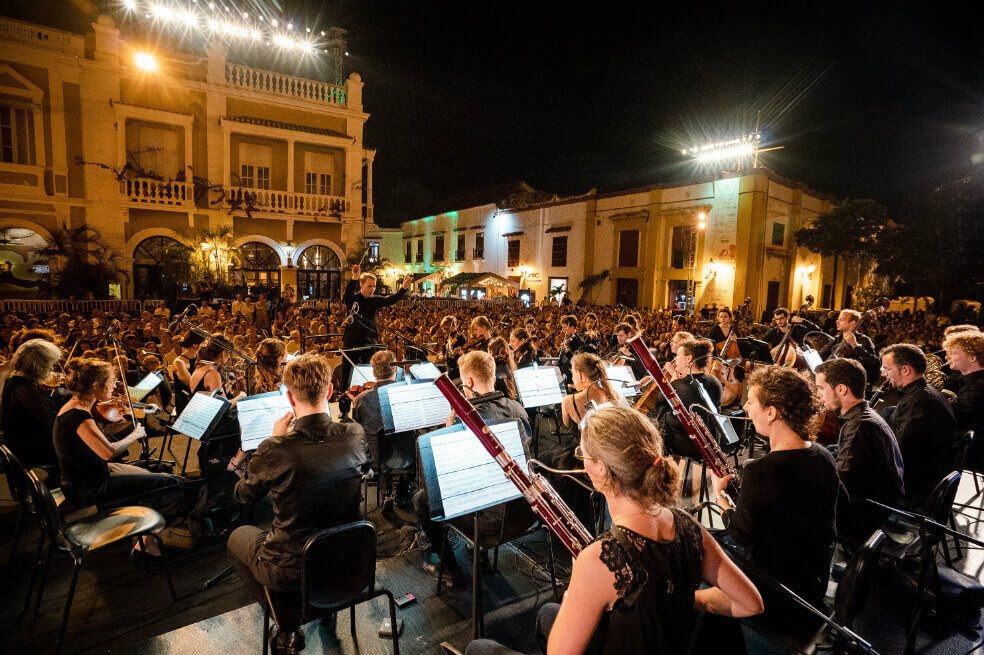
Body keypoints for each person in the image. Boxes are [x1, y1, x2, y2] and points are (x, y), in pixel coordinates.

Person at [467, 406, 763, 655]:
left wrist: (575, 589)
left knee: (479, 648)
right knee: (547, 614)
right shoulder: (690, 526)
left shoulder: (598, 559)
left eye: (583, 455)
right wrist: (687, 599)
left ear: (598, 469)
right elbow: (751, 603)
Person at [227, 353, 369, 618]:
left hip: (294, 568)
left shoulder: (274, 449)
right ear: (328, 391)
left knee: (237, 537)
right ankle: (324, 609)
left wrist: (269, 444)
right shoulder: (355, 433)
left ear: (290, 398)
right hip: (352, 558)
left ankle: (284, 618)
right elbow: (365, 469)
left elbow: (244, 495)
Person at [713, 367, 844, 627]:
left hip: (775, 593)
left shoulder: (759, 471)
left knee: (696, 591)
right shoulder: (825, 456)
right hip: (812, 586)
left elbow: (741, 535)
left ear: (771, 412)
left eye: (750, 401)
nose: (747, 408)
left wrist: (722, 500)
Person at [52, 358, 203, 556]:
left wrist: (130, 421)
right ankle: (145, 544)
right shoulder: (78, 415)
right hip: (91, 485)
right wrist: (135, 435)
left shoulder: (77, 406)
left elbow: (101, 438)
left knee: (158, 474)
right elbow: (107, 452)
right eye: (111, 382)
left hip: (93, 474)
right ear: (96, 385)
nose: (114, 386)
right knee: (170, 485)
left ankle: (141, 533)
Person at [413, 350, 533, 587]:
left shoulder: (464, 419)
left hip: (488, 522)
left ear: (468, 381)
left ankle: (449, 569)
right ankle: (479, 554)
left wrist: (449, 430)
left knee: (422, 500)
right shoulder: (517, 408)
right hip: (523, 512)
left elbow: (452, 477)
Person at [815, 357, 904, 542]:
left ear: (841, 389)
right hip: (877, 502)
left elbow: (842, 485)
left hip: (867, 514)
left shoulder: (859, 427)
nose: (819, 395)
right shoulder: (864, 416)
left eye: (821, 388)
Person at [879, 343, 957, 506]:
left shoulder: (920, 402)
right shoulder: (921, 393)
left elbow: (901, 453)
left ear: (906, 370)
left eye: (887, 368)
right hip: (919, 472)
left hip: (913, 487)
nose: (883, 374)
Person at [339, 266, 411, 417]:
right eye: (369, 286)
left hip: (369, 341)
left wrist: (404, 288)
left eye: (374, 286)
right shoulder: (354, 299)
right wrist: (354, 278)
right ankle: (343, 409)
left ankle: (368, 406)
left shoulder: (374, 301)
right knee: (347, 374)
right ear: (362, 285)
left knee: (369, 375)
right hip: (352, 341)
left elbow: (392, 299)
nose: (372, 289)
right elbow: (346, 296)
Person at [653, 340, 723, 463]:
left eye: (678, 355)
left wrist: (673, 380)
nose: (675, 359)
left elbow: (659, 400)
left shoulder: (679, 385)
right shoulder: (714, 381)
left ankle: (664, 464)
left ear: (689, 358)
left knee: (658, 415)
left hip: (691, 444)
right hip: (712, 440)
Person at [1, 339, 63, 475]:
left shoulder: (18, 381)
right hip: (31, 449)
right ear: (38, 364)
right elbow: (50, 422)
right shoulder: (24, 387)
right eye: (49, 364)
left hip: (27, 442)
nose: (51, 368)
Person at [189, 335, 247, 475]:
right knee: (246, 419)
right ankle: (235, 462)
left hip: (202, 418)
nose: (228, 359)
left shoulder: (201, 368)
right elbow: (224, 405)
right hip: (212, 424)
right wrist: (241, 396)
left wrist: (232, 381)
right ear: (223, 353)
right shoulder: (212, 373)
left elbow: (217, 396)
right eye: (228, 355)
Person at [943, 331, 984, 470]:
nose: (946, 356)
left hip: (971, 447)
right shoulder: (967, 379)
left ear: (972, 358)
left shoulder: (979, 387)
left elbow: (945, 413)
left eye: (953, 353)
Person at [561, 352, 627, 430]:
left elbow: (567, 424)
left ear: (579, 375)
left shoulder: (568, 401)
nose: (572, 378)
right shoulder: (614, 395)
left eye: (573, 373)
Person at [819, 310, 882, 384]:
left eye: (842, 320)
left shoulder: (863, 339)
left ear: (852, 323)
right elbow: (822, 356)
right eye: (838, 319)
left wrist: (854, 345)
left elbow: (872, 361)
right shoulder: (837, 339)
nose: (837, 322)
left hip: (856, 382)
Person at [558, 315, 585, 388]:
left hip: (570, 374)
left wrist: (567, 351)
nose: (563, 330)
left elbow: (576, 361)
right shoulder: (567, 340)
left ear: (572, 328)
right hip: (562, 370)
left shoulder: (578, 341)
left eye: (564, 327)